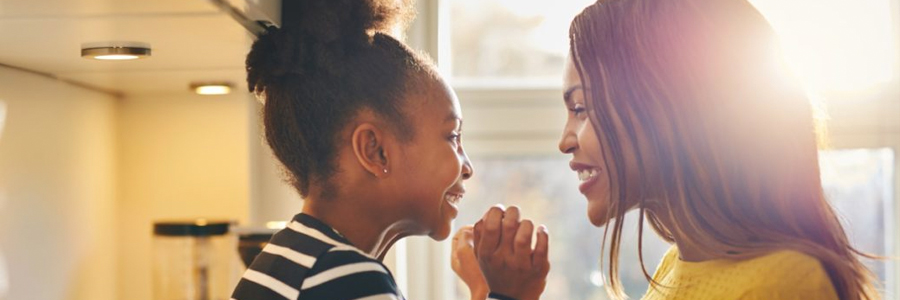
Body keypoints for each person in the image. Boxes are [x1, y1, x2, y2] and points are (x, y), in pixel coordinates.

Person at [456, 0, 880, 299]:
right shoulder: (676, 267)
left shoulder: (783, 284)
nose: (565, 140)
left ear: (668, 112)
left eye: (581, 108)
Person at [228, 1, 549, 299]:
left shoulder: (285, 260)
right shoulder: (350, 279)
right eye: (452, 136)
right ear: (375, 150)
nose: (467, 167)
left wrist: (484, 289)